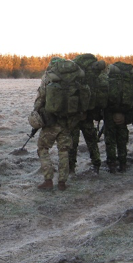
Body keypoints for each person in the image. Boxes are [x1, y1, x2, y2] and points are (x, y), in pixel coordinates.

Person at [32, 57, 86, 191]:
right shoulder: (74, 78)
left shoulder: (48, 77)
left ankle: (48, 180)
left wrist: (36, 113)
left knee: (43, 148)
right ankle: (62, 182)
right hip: (68, 120)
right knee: (64, 151)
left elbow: (41, 97)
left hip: (51, 120)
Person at [70, 54, 106, 174]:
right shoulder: (96, 75)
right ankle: (96, 165)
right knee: (91, 141)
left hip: (74, 114)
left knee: (72, 142)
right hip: (88, 114)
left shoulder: (74, 73)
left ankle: (71, 169)